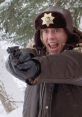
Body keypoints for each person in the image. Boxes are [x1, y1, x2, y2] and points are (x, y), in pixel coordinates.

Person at [6, 6, 82, 117]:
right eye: (46, 31)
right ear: (41, 36)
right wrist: (15, 61)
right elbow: (11, 66)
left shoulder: (77, 57)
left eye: (56, 30)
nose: (50, 36)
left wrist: (37, 67)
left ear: (67, 33)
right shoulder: (36, 57)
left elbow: (68, 65)